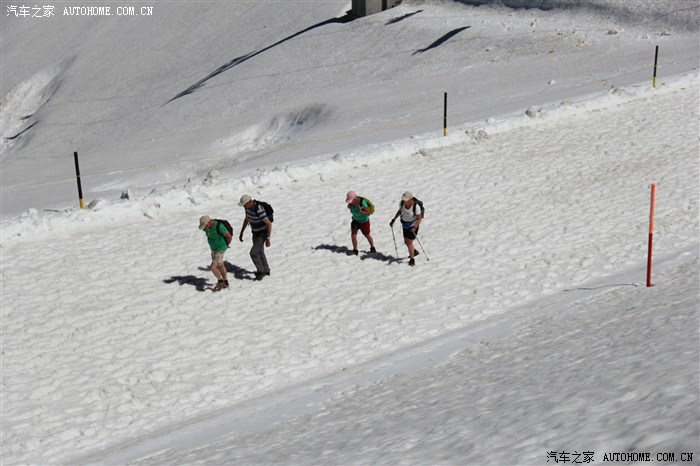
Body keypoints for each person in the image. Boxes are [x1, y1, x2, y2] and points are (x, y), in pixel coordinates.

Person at [238, 194, 272, 280]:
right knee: (260, 251)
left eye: (244, 204)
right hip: (255, 232)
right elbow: (246, 219)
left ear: (249, 202)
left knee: (253, 253)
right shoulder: (247, 208)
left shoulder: (259, 209)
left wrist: (268, 238)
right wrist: (242, 232)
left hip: (262, 234)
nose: (243, 207)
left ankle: (261, 272)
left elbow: (269, 224)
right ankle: (266, 270)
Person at [199, 215, 232, 291]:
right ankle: (225, 281)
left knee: (213, 267)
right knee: (220, 265)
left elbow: (229, 236)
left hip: (220, 249)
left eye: (205, 226)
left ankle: (220, 281)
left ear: (209, 222)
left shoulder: (219, 226)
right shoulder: (207, 228)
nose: (204, 229)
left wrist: (226, 245)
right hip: (213, 249)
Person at [390, 191, 422, 266]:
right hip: (405, 225)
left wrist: (415, 227)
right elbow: (400, 211)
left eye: (406, 199)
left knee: (409, 243)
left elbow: (419, 218)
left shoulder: (416, 206)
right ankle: (414, 252)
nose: (404, 200)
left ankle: (412, 259)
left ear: (410, 199)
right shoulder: (402, 203)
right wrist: (394, 219)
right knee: (406, 242)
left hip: (413, 226)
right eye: (403, 199)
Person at [345, 190, 376, 256]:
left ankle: (372, 247)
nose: (350, 202)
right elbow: (349, 206)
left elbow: (368, 213)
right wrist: (349, 206)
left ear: (355, 198)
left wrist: (361, 211)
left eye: (351, 200)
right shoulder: (351, 203)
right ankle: (355, 250)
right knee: (353, 235)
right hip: (355, 221)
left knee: (367, 235)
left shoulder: (362, 202)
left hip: (364, 222)